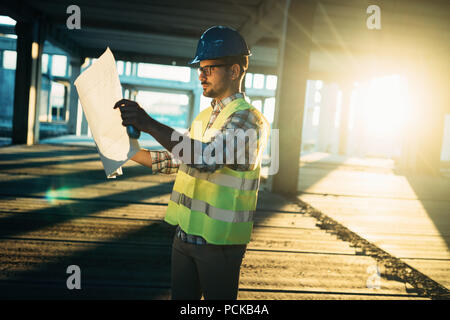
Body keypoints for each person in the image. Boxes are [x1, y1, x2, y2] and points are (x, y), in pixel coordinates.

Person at [114, 25, 270, 300]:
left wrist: (148, 123)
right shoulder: (203, 119)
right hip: (185, 237)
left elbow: (204, 159)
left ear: (234, 71)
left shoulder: (247, 120)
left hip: (218, 242)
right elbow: (172, 160)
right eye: (200, 68)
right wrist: (122, 148)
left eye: (209, 68)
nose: (201, 74)